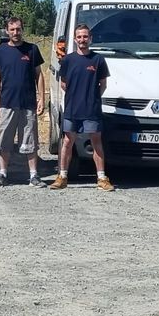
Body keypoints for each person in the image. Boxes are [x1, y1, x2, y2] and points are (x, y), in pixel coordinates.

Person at [52, 23, 113, 191]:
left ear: (90, 38)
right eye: (79, 37)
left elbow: (103, 85)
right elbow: (64, 84)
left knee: (96, 142)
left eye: (85, 36)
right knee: (67, 141)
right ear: (75, 39)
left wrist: (91, 98)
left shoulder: (98, 60)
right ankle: (62, 176)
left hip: (91, 110)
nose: (82, 40)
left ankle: (101, 178)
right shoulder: (68, 60)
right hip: (72, 109)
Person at [0, 16, 47, 187]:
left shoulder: (32, 49)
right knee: (4, 141)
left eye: (18, 29)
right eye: (12, 29)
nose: (15, 32)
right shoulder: (0, 51)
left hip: (28, 103)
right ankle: (2, 175)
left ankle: (34, 176)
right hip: (7, 103)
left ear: (23, 29)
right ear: (7, 31)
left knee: (31, 141)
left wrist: (42, 98)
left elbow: (39, 75)